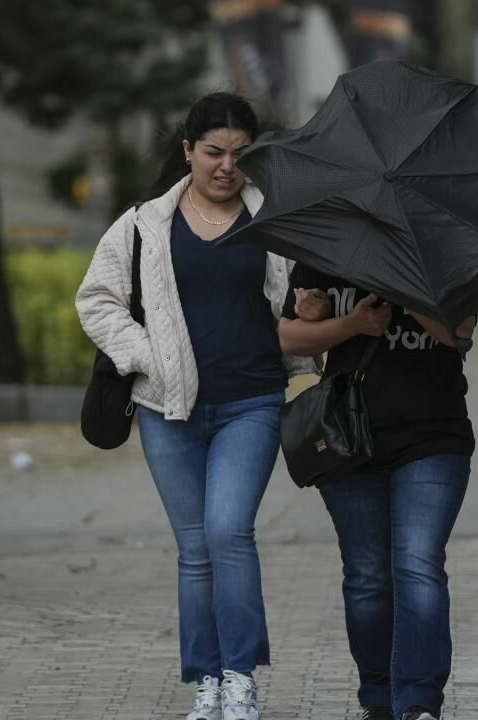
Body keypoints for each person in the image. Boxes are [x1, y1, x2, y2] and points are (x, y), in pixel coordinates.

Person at [76, 92, 316, 720]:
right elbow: (95, 300)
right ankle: (206, 681)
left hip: (252, 402)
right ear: (188, 150)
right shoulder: (143, 224)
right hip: (167, 410)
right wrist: (147, 354)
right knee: (195, 548)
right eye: (213, 152)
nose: (226, 166)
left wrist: (308, 313)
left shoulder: (275, 220)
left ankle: (240, 677)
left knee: (228, 531)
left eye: (240, 154)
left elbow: (298, 305)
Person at [279, 274, 478, 720]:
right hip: (348, 439)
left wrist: (405, 284)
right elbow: (290, 337)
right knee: (368, 575)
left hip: (433, 438)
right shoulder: (333, 240)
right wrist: (345, 323)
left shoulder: (443, 246)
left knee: (417, 563)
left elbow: (459, 332)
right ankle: (380, 698)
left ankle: (419, 701)